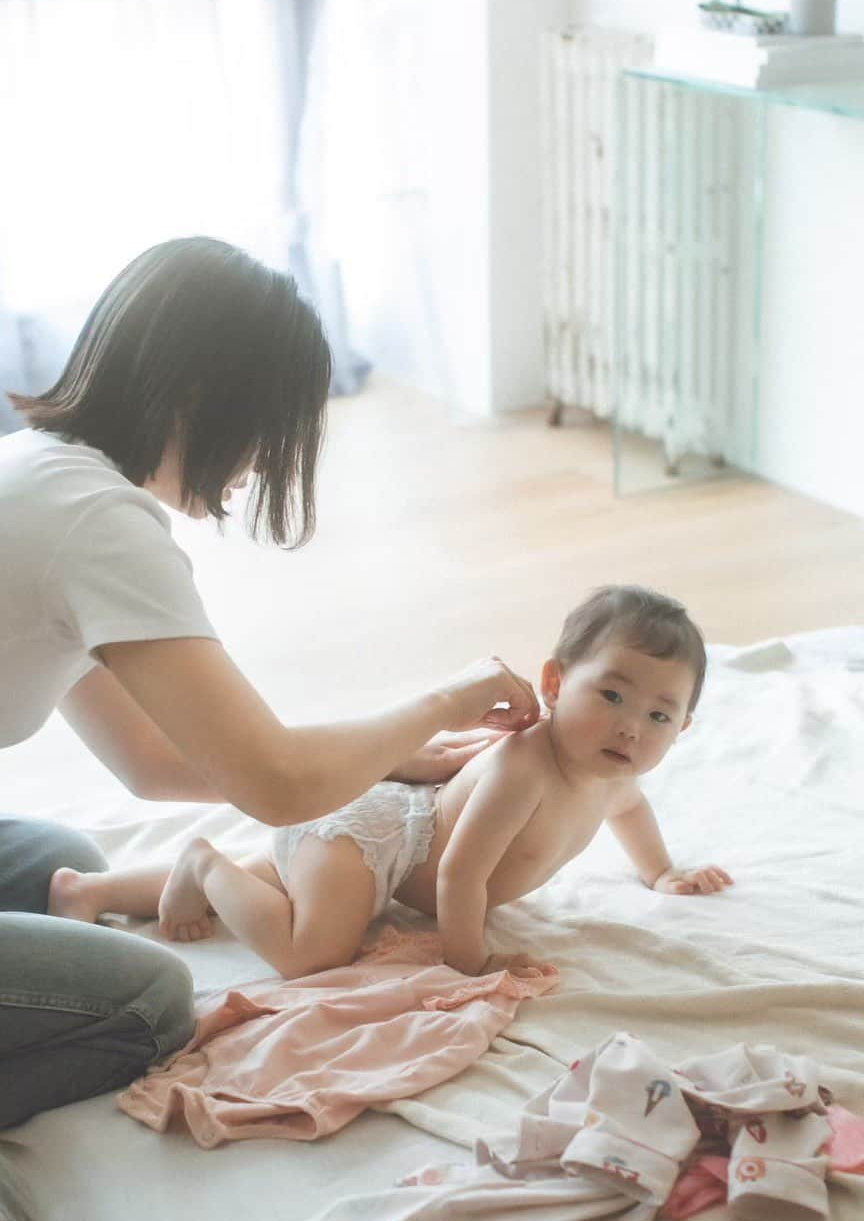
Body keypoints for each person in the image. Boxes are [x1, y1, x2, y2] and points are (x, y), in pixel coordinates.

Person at [0, 236, 539, 1129]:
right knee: (149, 1006)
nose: (260, 464)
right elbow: (279, 787)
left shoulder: (36, 470)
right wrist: (450, 697)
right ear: (203, 398)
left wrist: (386, 758)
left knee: (71, 869)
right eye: (270, 427)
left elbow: (153, 759)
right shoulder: (100, 523)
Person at [49, 586, 733, 980]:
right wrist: (472, 964)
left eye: (658, 715)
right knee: (311, 951)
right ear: (553, 683)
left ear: (684, 727)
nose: (630, 729)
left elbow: (633, 813)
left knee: (277, 876)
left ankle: (90, 889)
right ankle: (203, 864)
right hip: (372, 842)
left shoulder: (615, 775)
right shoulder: (523, 767)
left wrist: (663, 872)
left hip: (368, 837)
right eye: (611, 696)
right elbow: (459, 879)